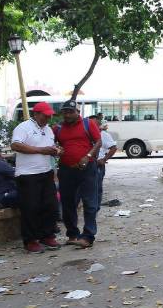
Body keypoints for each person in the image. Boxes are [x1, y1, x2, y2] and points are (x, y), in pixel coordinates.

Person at [10, 102, 62, 254]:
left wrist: (55, 151)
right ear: (36, 114)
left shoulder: (49, 130)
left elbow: (48, 149)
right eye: (45, 115)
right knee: (30, 208)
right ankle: (30, 240)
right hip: (27, 174)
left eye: (50, 115)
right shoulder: (24, 127)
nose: (48, 118)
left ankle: (47, 235)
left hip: (46, 172)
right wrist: (41, 150)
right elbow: (16, 146)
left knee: (51, 205)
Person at [55, 100, 101, 248]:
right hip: (66, 169)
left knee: (89, 202)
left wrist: (88, 157)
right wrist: (57, 149)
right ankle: (72, 234)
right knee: (68, 203)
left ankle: (88, 236)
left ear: (77, 112)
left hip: (87, 169)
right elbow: (55, 144)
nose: (67, 115)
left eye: (71, 112)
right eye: (65, 112)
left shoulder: (88, 124)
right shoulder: (59, 128)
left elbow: (98, 142)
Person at [89, 115, 117, 210]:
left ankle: (95, 209)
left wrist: (104, 159)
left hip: (97, 165)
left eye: (94, 124)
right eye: (90, 123)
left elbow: (113, 148)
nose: (92, 126)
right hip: (86, 164)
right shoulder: (85, 133)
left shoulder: (103, 135)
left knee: (97, 188)